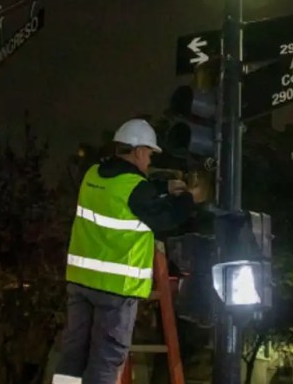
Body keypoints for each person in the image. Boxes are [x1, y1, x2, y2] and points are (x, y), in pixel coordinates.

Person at [52, 118, 205, 384]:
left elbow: (128, 189)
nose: (149, 161)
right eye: (148, 154)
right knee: (106, 358)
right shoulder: (135, 189)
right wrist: (189, 198)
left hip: (80, 282)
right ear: (136, 151)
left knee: (73, 354)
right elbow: (165, 217)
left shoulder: (91, 175)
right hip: (115, 289)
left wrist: (163, 186)